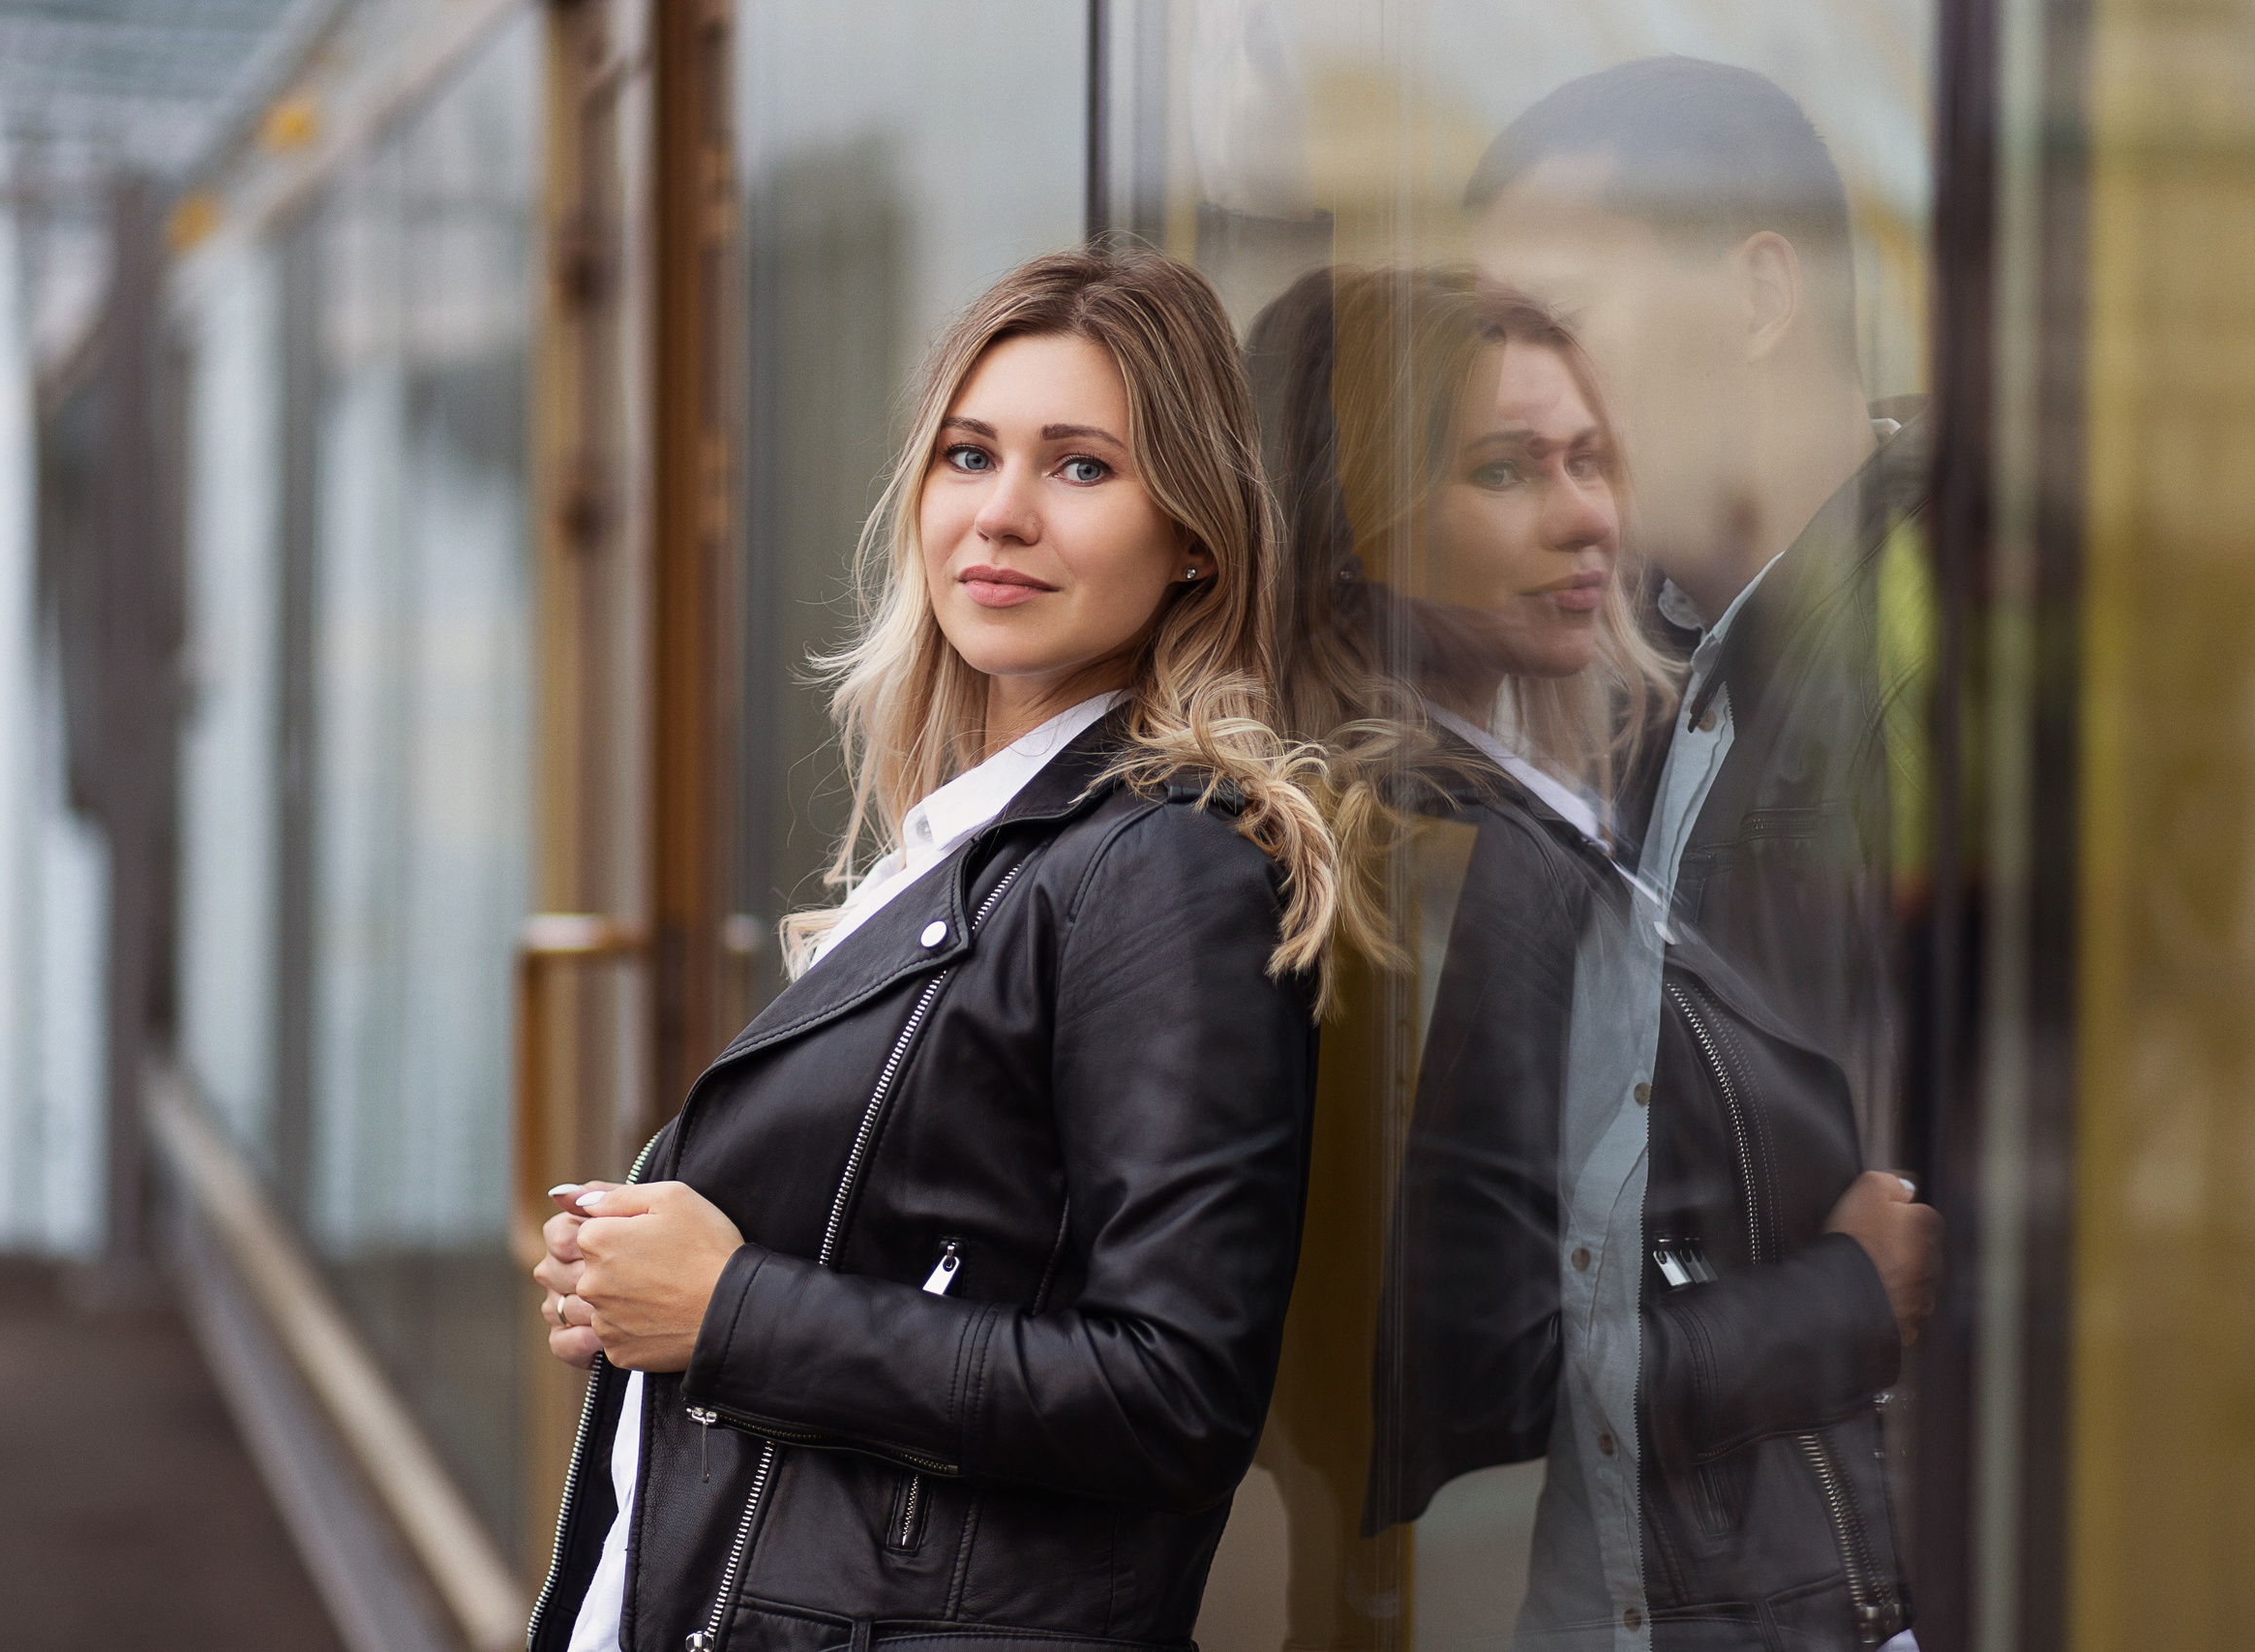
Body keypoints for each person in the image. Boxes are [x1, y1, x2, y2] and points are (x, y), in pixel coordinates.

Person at [524, 247, 1352, 1652]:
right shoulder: (980, 844)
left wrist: (729, 1310)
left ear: (1196, 532)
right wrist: (644, 1273)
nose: (1003, 515)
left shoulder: (1165, 869)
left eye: (1081, 468)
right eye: (970, 456)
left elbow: (1173, 1393)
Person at [1461, 57, 1942, 1650]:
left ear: (1757, 291)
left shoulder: (1931, 642)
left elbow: (1959, 1242)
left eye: (1558, 319)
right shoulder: (1645, 674)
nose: (1520, 406)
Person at [1246, 262, 1675, 1647]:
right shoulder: (1441, 860)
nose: (1583, 518)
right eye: (1504, 472)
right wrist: (1839, 1294)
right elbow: (1476, 1377)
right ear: (1350, 526)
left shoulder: (1500, 817)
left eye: (1588, 460)